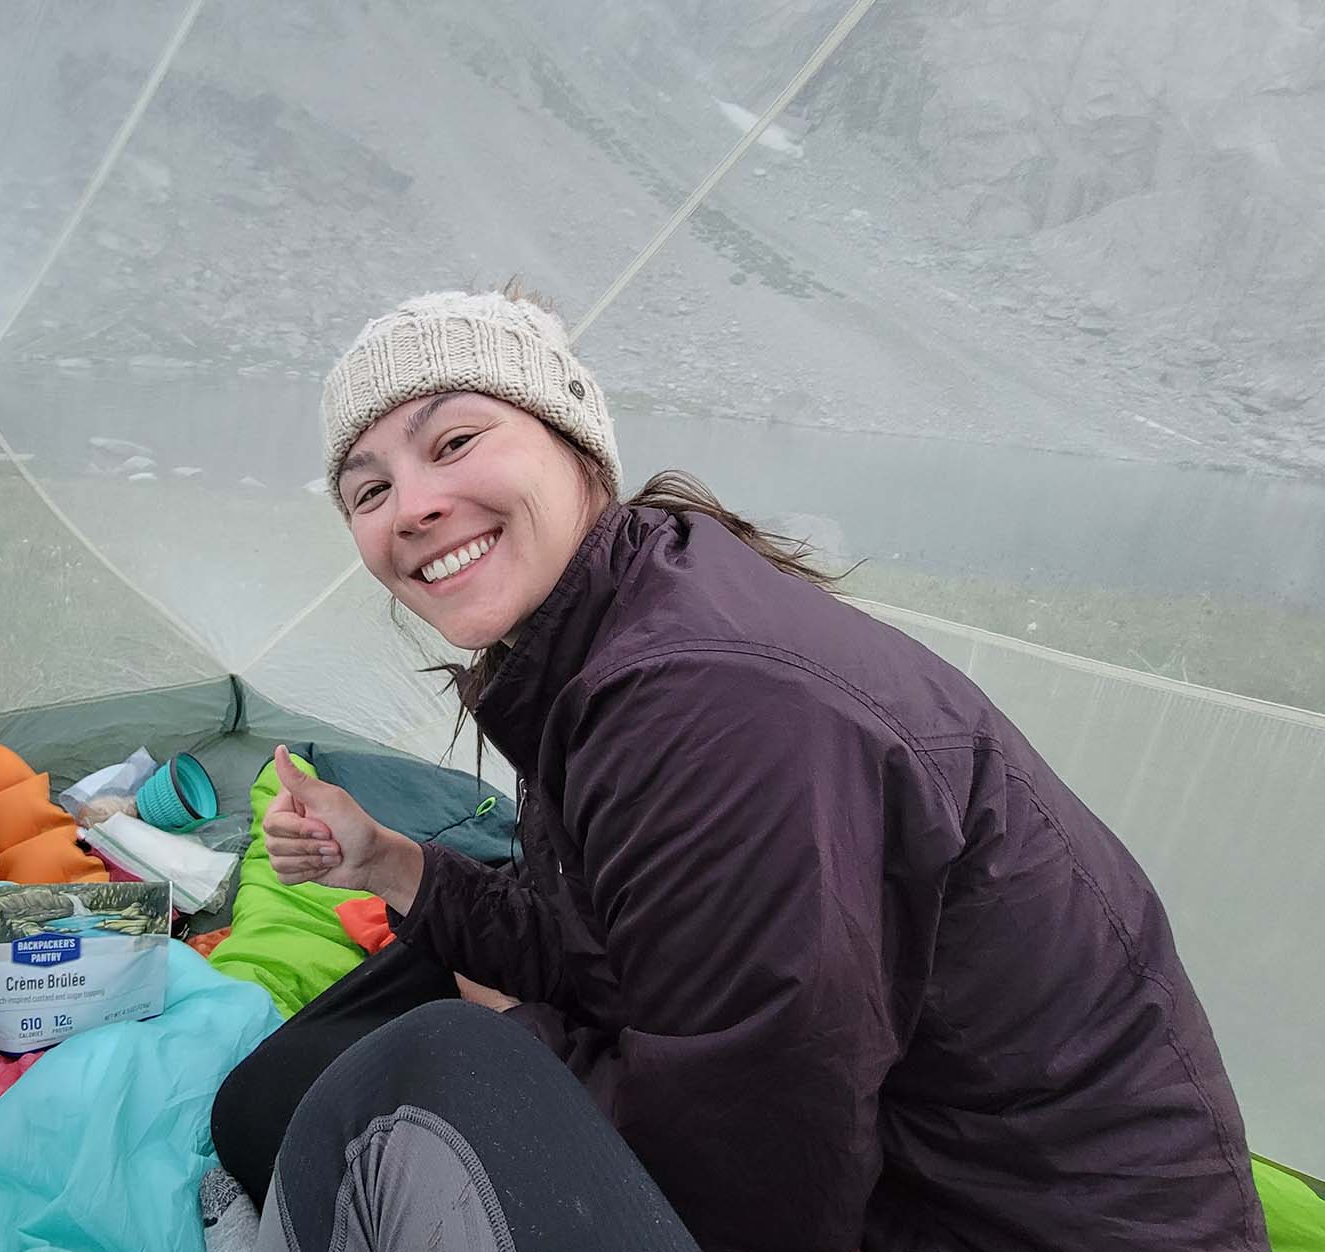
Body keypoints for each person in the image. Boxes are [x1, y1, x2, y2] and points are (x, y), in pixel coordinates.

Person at [210, 288, 1266, 1251]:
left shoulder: (710, 709)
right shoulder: (599, 648)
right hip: (883, 1164)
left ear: (575, 445)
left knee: (419, 1070)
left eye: (454, 440)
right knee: (269, 1106)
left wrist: (509, 1034)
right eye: (368, 488)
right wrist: (394, 861)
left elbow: (744, 1190)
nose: (411, 506)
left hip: (996, 1218)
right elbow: (614, 948)